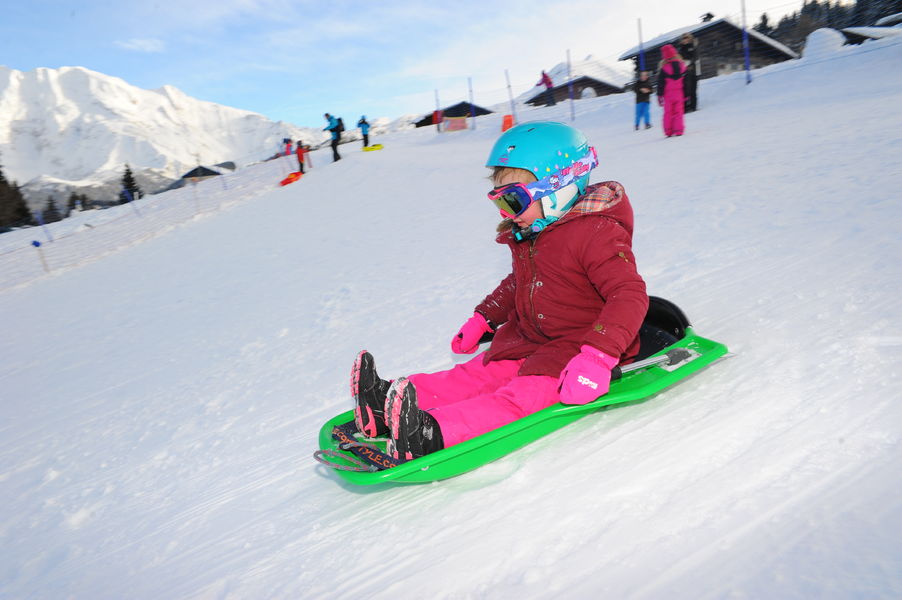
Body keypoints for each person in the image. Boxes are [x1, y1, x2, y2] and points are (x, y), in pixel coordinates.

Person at [351, 121, 648, 459]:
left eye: (514, 200)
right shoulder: (536, 231)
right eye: (501, 203)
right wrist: (485, 318)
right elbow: (519, 281)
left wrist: (596, 357)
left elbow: (629, 295)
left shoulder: (597, 232)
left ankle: (431, 432)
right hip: (528, 340)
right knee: (472, 375)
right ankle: (383, 403)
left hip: (574, 352)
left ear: (560, 187)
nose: (509, 213)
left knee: (518, 399)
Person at [656, 44, 687, 137]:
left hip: (668, 95)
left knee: (668, 113)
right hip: (679, 94)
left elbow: (660, 84)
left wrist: (659, 95)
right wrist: (687, 94)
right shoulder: (683, 67)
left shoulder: (664, 69)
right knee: (679, 112)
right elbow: (686, 82)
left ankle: (668, 131)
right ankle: (678, 130)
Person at [677, 32, 700, 112]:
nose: (685, 40)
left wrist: (689, 62)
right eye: (684, 38)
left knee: (693, 89)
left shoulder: (693, 47)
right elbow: (678, 58)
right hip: (684, 72)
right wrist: (682, 63)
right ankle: (685, 107)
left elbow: (695, 57)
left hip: (693, 71)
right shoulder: (680, 49)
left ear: (690, 38)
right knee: (685, 90)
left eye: (687, 38)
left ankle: (693, 107)